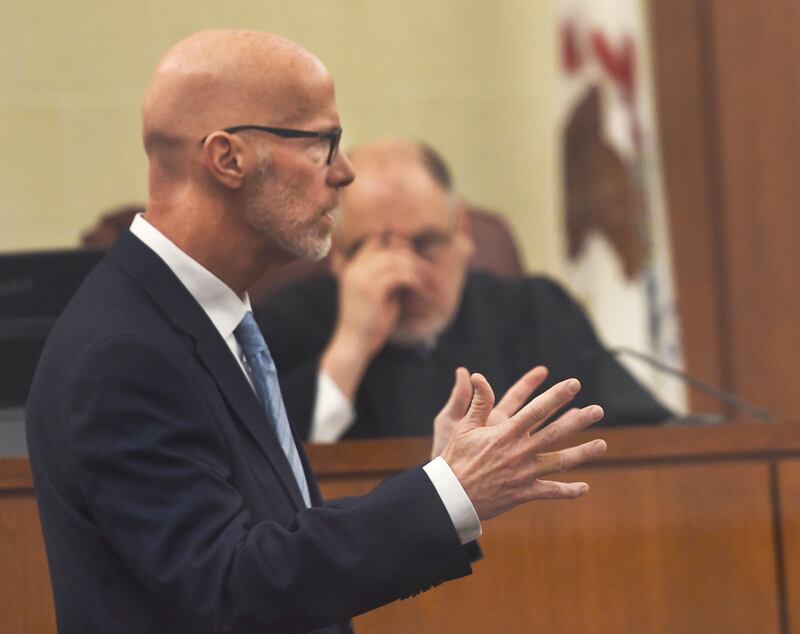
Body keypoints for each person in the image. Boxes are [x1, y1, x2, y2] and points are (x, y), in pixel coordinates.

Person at [26, 31, 607, 634]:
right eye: (321, 143)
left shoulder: (207, 317)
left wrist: (444, 474)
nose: (344, 172)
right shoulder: (126, 352)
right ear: (228, 159)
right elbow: (231, 587)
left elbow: (283, 542)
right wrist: (447, 492)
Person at [254, 138, 673, 443]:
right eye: (373, 249)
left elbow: (643, 437)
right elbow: (265, 467)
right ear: (339, 257)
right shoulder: (285, 328)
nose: (404, 273)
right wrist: (349, 349)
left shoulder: (537, 312)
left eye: (424, 245)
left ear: (464, 232)